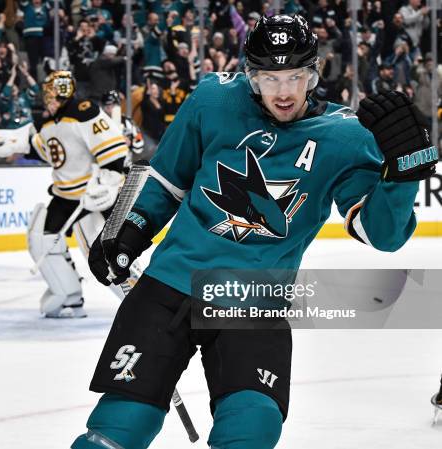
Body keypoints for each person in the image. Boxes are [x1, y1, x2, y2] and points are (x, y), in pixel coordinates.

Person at [72, 14, 438, 449]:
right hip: (168, 285)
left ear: (314, 74)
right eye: (270, 78)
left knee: (251, 428)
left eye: (296, 77)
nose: (284, 92)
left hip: (253, 300)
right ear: (251, 76)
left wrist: (401, 178)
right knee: (117, 427)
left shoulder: (345, 137)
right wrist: (130, 229)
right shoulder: (212, 98)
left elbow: (383, 235)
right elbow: (168, 179)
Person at [0, 71, 136, 318]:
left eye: (52, 96)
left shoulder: (84, 112)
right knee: (41, 236)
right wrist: (16, 142)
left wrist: (107, 182)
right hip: (66, 195)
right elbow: (48, 149)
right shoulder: (50, 123)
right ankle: (68, 295)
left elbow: (114, 148)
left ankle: (136, 297)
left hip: (92, 196)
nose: (49, 101)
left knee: (100, 251)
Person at [100, 90, 146, 166]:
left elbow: (140, 145)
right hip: (106, 166)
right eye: (107, 106)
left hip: (125, 165)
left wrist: (130, 142)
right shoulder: (99, 124)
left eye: (113, 105)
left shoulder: (128, 122)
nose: (110, 109)